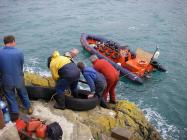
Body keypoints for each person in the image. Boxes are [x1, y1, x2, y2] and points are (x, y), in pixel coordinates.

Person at [0, 35, 32, 121]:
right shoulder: (19, 52)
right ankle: (28, 108)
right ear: (12, 41)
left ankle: (15, 113)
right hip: (18, 78)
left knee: (10, 96)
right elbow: (21, 65)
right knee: (23, 93)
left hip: (6, 80)